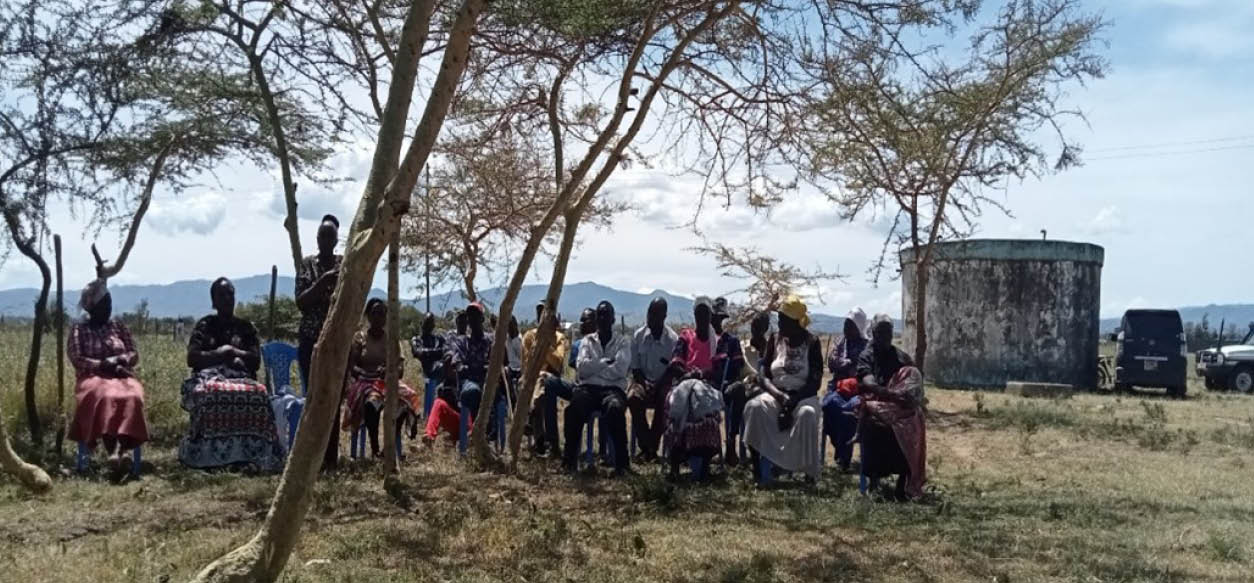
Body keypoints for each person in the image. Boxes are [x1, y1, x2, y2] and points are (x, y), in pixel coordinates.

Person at [179, 278, 284, 471]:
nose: (227, 299)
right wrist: (220, 354)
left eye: (230, 294)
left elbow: (255, 360)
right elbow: (192, 358)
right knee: (210, 392)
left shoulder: (246, 328)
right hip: (209, 378)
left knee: (259, 394)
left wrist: (233, 352)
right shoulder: (205, 325)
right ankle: (208, 456)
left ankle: (253, 454)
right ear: (214, 301)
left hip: (241, 378)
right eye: (222, 295)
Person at [68, 278, 149, 470]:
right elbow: (77, 358)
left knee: (133, 396)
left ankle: (120, 452)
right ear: (92, 307)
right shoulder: (79, 329)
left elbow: (133, 352)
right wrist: (103, 364)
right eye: (105, 304)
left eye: (110, 303)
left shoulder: (118, 326)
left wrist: (122, 360)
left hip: (122, 375)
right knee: (106, 396)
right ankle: (115, 450)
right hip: (92, 377)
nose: (109, 308)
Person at [742, 296, 824, 481]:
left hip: (802, 396)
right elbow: (763, 373)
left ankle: (807, 472)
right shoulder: (775, 339)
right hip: (776, 393)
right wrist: (779, 396)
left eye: (782, 320)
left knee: (807, 415)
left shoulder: (812, 342)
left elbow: (815, 381)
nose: (779, 324)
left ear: (795, 322)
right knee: (754, 408)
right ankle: (758, 471)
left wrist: (793, 401)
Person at [855, 315, 927, 500]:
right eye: (880, 333)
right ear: (873, 333)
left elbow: (913, 380)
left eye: (888, 332)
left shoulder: (901, 357)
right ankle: (873, 479)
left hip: (897, 405)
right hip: (875, 401)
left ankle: (904, 481)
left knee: (913, 421)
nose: (884, 337)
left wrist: (909, 397)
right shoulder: (867, 356)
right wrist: (892, 395)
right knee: (874, 424)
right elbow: (868, 383)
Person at [343, 299, 422, 457]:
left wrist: (388, 370)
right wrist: (365, 373)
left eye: (381, 313)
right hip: (365, 382)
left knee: (405, 402)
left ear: (386, 317)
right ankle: (375, 448)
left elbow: (400, 369)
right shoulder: (360, 338)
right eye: (374, 313)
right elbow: (352, 367)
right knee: (371, 404)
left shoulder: (392, 340)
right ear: (368, 316)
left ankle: (391, 445)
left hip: (387, 382)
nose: (378, 317)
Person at [295, 214, 343, 469]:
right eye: (321, 235)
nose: (325, 240)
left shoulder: (343, 265)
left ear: (336, 240)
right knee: (313, 396)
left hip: (336, 342)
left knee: (333, 397)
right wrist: (322, 283)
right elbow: (301, 301)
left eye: (329, 236)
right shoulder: (308, 266)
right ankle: (310, 454)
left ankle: (331, 457)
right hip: (310, 341)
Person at [661, 296, 727, 478]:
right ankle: (675, 462)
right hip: (685, 381)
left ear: (710, 316)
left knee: (704, 407)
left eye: (706, 314)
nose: (702, 318)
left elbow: (719, 370)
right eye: (699, 314)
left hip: (707, 385)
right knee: (676, 402)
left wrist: (701, 374)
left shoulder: (718, 341)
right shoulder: (686, 337)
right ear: (695, 315)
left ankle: (704, 464)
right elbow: (676, 363)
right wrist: (688, 375)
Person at [563, 301, 631, 475]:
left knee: (615, 409)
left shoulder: (622, 343)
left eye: (606, 314)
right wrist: (604, 363)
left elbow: (621, 369)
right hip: (589, 389)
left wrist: (595, 369)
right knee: (574, 409)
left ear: (613, 319)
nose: (602, 318)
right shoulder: (587, 341)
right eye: (599, 314)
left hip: (612, 390)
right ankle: (569, 462)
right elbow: (582, 369)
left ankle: (622, 465)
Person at [536, 308, 594, 457]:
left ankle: (602, 449)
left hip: (595, 389)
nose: (581, 324)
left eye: (585, 321)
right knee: (549, 384)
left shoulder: (601, 342)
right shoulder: (577, 345)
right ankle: (553, 442)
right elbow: (577, 366)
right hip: (577, 387)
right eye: (581, 320)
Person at [626, 298, 677, 461]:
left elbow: (672, 371)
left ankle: (652, 446)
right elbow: (635, 367)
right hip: (642, 381)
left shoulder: (673, 340)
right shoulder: (638, 336)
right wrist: (644, 382)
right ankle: (646, 445)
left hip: (663, 383)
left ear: (664, 316)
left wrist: (658, 384)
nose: (651, 317)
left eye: (655, 314)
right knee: (633, 397)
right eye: (649, 312)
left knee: (666, 399)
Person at [822, 309, 870, 471]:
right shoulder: (839, 342)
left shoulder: (867, 346)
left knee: (850, 412)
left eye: (850, 325)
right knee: (829, 405)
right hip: (838, 388)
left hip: (859, 390)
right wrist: (848, 363)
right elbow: (832, 362)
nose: (846, 329)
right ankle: (840, 448)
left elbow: (865, 369)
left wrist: (845, 364)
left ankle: (844, 456)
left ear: (859, 327)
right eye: (845, 324)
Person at [721, 311, 772, 466]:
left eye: (759, 327)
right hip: (747, 388)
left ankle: (760, 455)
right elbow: (739, 371)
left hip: (766, 391)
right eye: (753, 326)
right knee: (738, 392)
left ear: (766, 328)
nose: (755, 330)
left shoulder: (772, 349)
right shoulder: (743, 348)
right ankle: (732, 442)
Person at [522, 303, 569, 457]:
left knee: (543, 382)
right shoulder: (529, 336)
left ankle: (532, 419)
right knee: (534, 384)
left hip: (550, 378)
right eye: (539, 314)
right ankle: (543, 441)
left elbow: (557, 363)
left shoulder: (559, 338)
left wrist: (544, 343)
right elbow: (528, 362)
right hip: (531, 377)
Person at [710, 297, 747, 465]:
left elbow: (738, 365)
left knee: (737, 390)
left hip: (725, 386)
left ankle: (731, 443)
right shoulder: (702, 339)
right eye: (713, 317)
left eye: (719, 318)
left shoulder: (731, 341)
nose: (715, 321)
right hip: (706, 386)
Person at [410, 313, 447, 419]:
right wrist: (437, 353)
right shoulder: (416, 339)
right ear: (422, 323)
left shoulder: (438, 339)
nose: (429, 326)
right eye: (427, 323)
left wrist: (429, 354)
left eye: (431, 323)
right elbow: (418, 352)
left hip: (440, 369)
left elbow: (446, 350)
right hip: (427, 371)